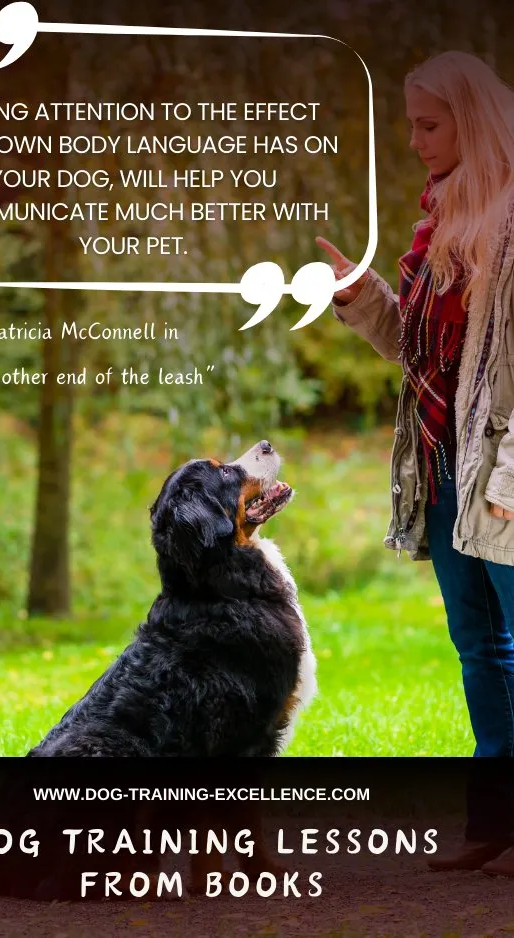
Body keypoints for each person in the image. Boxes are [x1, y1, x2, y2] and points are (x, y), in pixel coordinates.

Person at [317, 49, 514, 874]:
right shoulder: (439, 219)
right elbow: (422, 355)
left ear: (470, 120)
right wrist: (363, 298)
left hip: (500, 473)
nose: (411, 140)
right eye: (408, 122)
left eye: (427, 124)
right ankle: (494, 820)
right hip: (442, 468)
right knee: (478, 645)